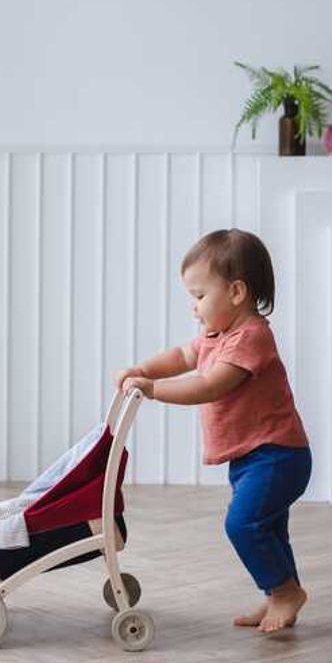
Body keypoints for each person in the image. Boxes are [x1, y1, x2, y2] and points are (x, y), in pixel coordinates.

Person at [113, 228, 311, 633]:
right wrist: (145, 369)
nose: (194, 307)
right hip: (252, 457)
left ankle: (285, 591)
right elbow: (185, 355)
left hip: (277, 455)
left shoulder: (252, 337)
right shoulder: (216, 334)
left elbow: (209, 385)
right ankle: (279, 593)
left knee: (242, 525)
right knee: (269, 528)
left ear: (236, 292)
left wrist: (152, 389)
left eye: (199, 296)